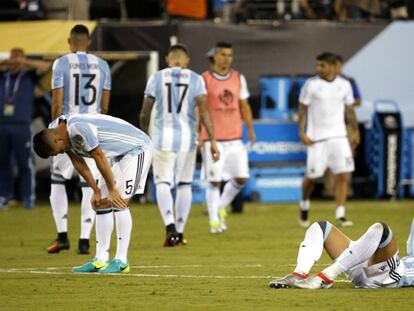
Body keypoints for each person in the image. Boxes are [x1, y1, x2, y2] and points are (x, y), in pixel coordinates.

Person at [33, 113, 152, 273]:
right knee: (101, 203)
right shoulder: (57, 130)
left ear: (57, 140)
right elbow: (78, 162)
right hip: (116, 155)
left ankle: (122, 261)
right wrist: (95, 191)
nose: (58, 154)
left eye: (55, 152)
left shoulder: (78, 129)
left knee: (120, 201)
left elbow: (99, 156)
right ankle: (100, 260)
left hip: (136, 149)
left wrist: (112, 190)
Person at [140, 44, 220, 247]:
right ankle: (180, 232)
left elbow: (145, 112)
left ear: (167, 59)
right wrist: (212, 140)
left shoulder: (156, 77)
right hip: (187, 139)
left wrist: (143, 136)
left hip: (161, 138)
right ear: (186, 60)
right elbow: (204, 110)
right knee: (184, 184)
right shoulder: (196, 78)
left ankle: (170, 227)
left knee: (163, 182)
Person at [47, 24, 111, 255]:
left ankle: (62, 235)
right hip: (92, 129)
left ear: (69, 41)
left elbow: (57, 102)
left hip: (67, 126)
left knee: (58, 180)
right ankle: (85, 239)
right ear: (89, 42)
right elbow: (104, 106)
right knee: (89, 183)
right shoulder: (103, 65)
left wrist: (56, 130)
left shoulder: (61, 63)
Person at [298, 52, 360, 228]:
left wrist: (355, 131)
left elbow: (350, 110)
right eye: (317, 65)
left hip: (339, 136)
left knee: (343, 174)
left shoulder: (345, 85)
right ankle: (304, 204)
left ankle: (340, 213)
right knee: (313, 176)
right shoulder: (311, 85)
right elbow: (302, 110)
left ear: (333, 66)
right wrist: (301, 132)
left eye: (322, 65)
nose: (319, 68)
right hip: (317, 138)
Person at [200, 41, 255, 233]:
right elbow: (200, 108)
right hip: (212, 138)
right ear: (214, 56)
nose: (227, 59)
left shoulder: (238, 78)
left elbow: (244, 105)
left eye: (230, 55)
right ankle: (214, 221)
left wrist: (250, 128)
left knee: (241, 178)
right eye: (223, 55)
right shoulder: (204, 79)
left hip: (235, 137)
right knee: (214, 180)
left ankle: (220, 206)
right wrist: (200, 134)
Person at [268, 219, 414, 289]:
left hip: (389, 277)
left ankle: (325, 277)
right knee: (320, 227)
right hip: (360, 263)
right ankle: (298, 274)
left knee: (381, 230)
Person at [0, 48, 50, 209]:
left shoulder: (29, 76)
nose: (15, 60)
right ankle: (5, 196)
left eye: (18, 57)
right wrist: (7, 62)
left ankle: (28, 197)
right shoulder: (2, 75)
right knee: (3, 162)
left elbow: (46, 66)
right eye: (13, 57)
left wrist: (24, 62)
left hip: (21, 125)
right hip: (2, 125)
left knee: (25, 163)